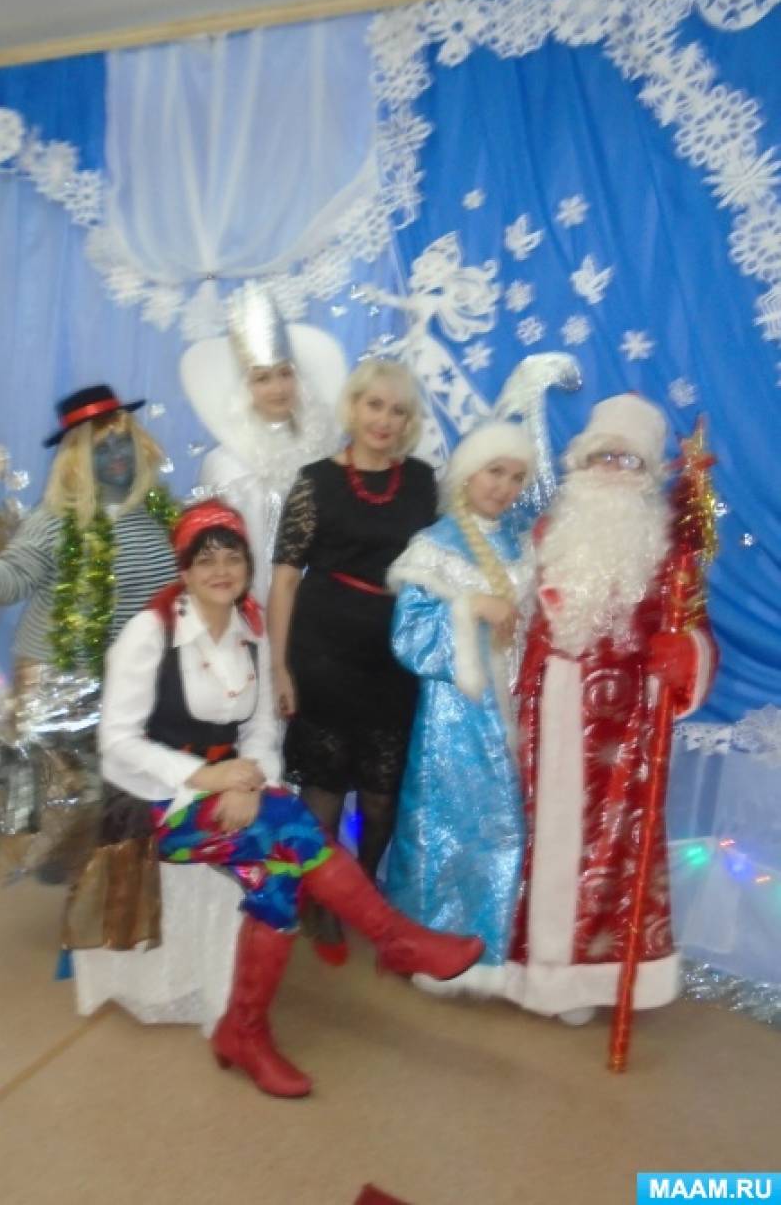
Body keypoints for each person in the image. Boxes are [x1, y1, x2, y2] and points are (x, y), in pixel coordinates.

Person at [97, 498, 486, 1098]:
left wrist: (254, 782)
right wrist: (207, 779)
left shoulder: (251, 628)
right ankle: (391, 940)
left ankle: (244, 1031)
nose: (221, 570)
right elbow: (117, 743)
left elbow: (260, 730)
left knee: (278, 872)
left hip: (234, 789)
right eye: (206, 559)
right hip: (150, 801)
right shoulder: (151, 632)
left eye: (233, 558)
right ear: (184, 569)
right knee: (290, 836)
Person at [505, 394, 716, 1025]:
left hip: (626, 725)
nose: (613, 470)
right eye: (603, 456)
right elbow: (519, 622)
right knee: (543, 835)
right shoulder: (547, 533)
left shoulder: (669, 551)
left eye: (628, 460)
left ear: (648, 472)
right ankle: (539, 970)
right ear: (581, 462)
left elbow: (697, 633)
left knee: (612, 849)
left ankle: (593, 974)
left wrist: (684, 652)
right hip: (550, 707)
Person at [268, 358, 438, 963]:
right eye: (374, 405)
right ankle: (322, 899)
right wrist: (280, 667)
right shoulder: (315, 481)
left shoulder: (422, 482)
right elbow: (284, 579)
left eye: (397, 410)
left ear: (409, 421)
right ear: (354, 407)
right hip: (323, 653)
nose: (384, 420)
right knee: (324, 788)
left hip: (394, 658)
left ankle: (362, 888)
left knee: (381, 795)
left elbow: (442, 564)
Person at [386, 420, 536, 997]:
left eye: (516, 477)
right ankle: (432, 947)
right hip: (455, 715)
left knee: (505, 831)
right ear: (469, 474)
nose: (504, 487)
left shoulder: (524, 546)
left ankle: (493, 951)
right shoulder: (435, 547)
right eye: (495, 472)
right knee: (443, 829)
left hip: (513, 712)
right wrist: (470, 608)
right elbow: (409, 636)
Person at [0, 385, 179, 678]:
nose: (117, 455)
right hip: (61, 678)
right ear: (77, 459)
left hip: (144, 672)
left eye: (123, 442)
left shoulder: (161, 511)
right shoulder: (55, 517)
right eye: (102, 448)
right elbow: (14, 580)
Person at [181, 282, 346, 602]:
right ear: (245, 388)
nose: (278, 389)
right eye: (262, 378)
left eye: (285, 374)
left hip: (317, 608)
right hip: (246, 607)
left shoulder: (325, 451)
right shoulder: (224, 465)